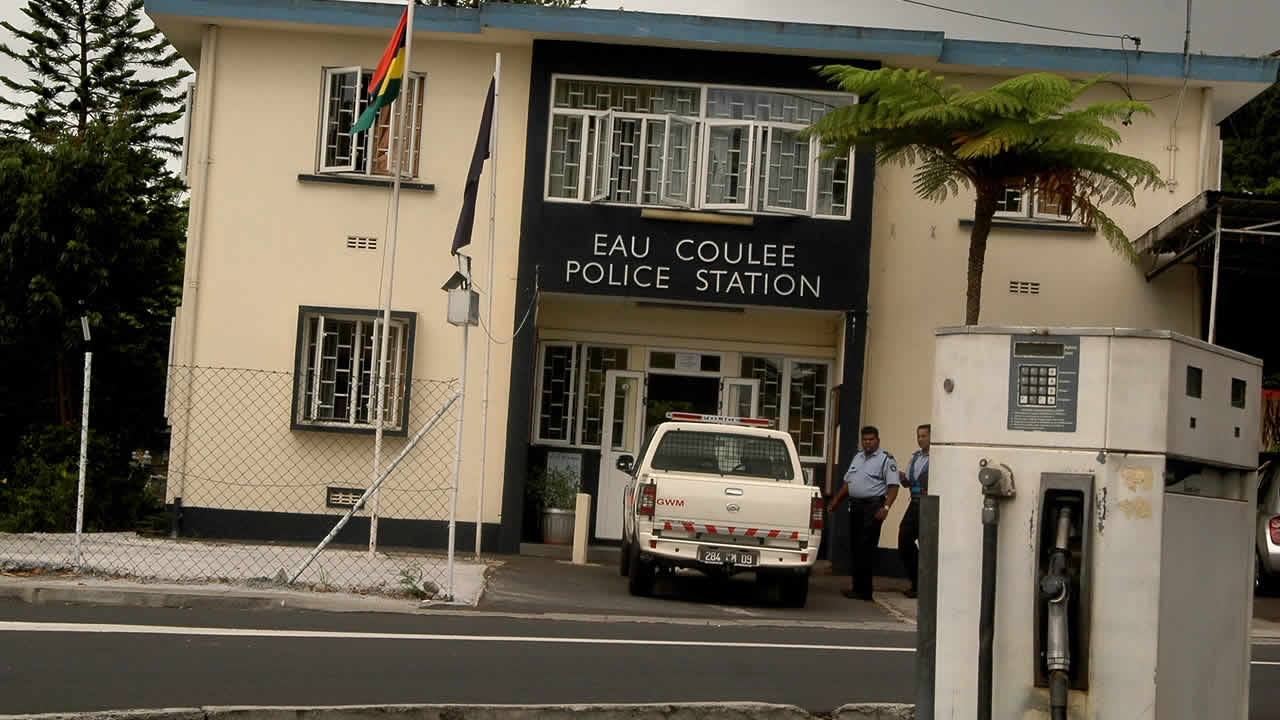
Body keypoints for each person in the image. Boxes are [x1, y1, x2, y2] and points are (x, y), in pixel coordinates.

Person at [827, 425, 900, 601]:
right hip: (856, 507)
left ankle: (865, 591)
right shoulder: (858, 457)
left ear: (878, 440)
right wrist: (836, 501)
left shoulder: (886, 459)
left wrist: (886, 508)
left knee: (866, 547)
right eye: (865, 439)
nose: (868, 443)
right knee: (856, 547)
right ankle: (857, 587)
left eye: (871, 439)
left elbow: (893, 487)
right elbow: (848, 483)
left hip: (873, 507)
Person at [897, 424, 930, 598]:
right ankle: (917, 580)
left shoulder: (938, 457)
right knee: (904, 540)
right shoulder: (915, 457)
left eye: (924, 436)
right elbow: (908, 483)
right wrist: (902, 478)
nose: (920, 439)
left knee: (927, 544)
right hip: (915, 503)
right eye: (918, 436)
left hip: (930, 505)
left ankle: (922, 586)